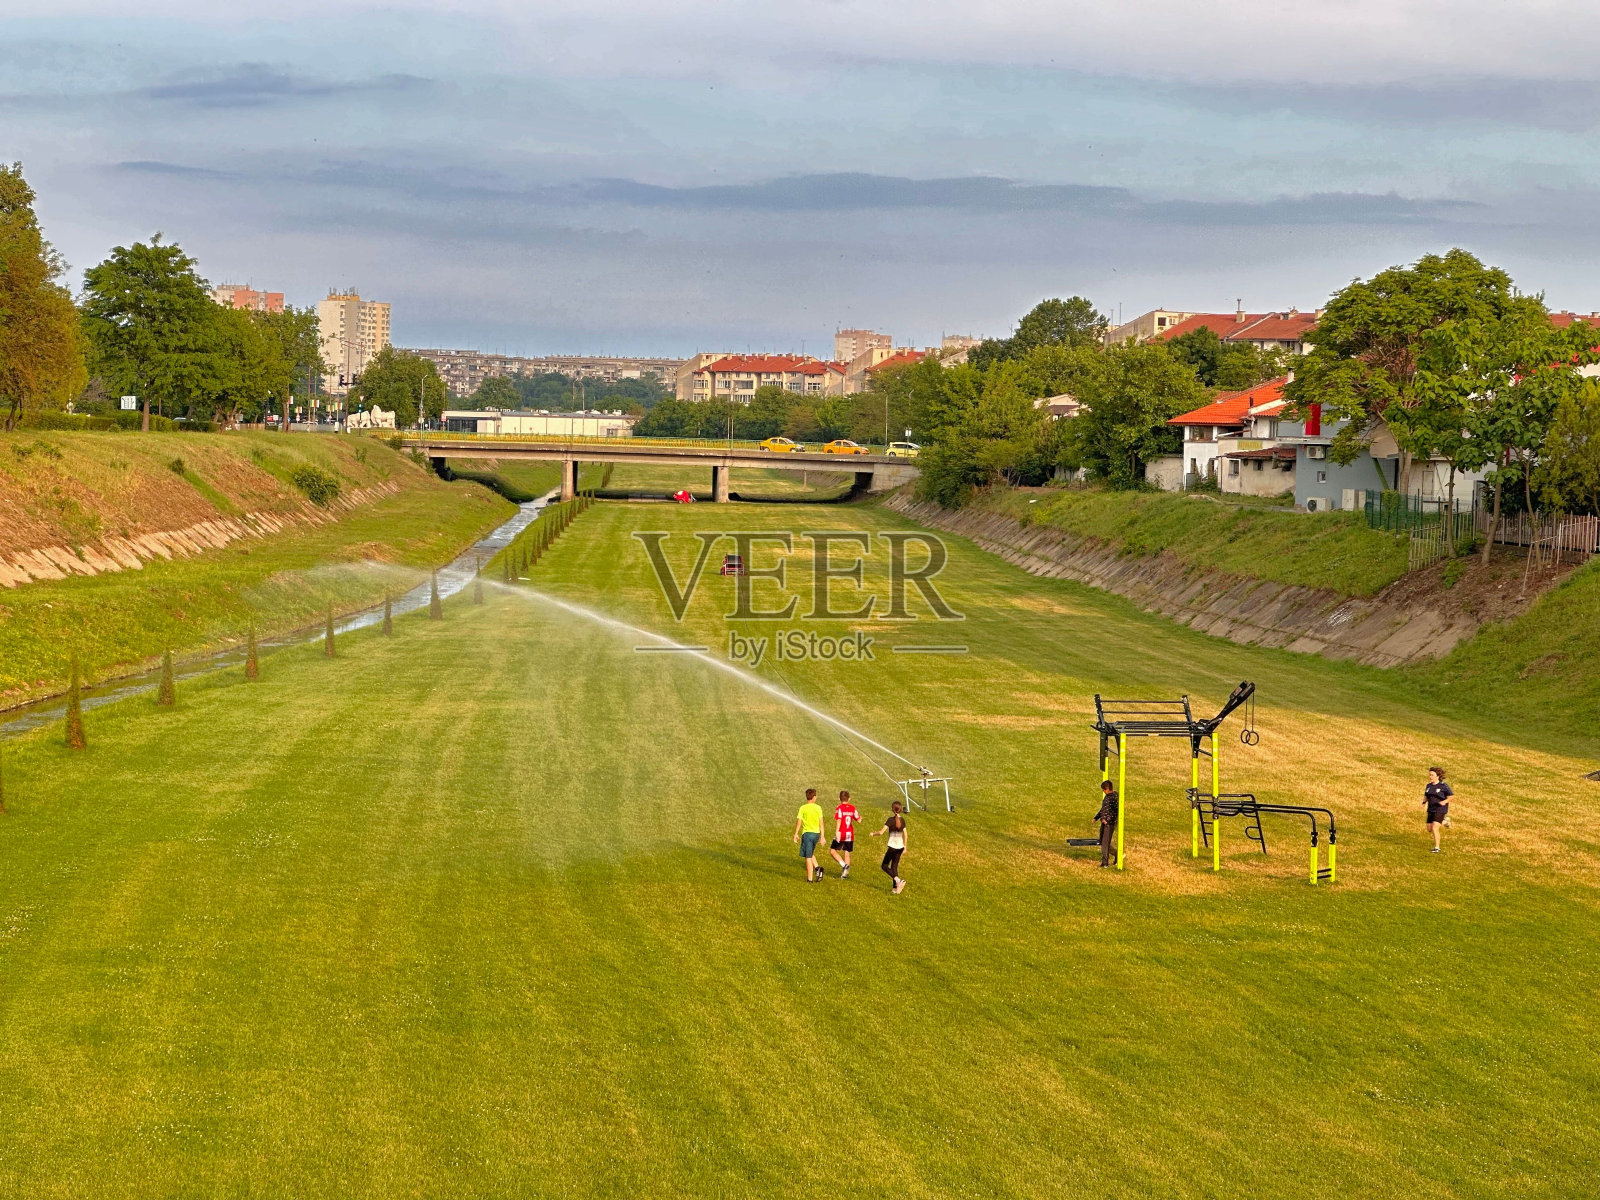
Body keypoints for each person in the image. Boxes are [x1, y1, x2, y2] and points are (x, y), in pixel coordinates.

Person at [870, 800, 909, 894]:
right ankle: (895, 889)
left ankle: (898, 880)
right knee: (894, 867)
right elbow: (906, 835)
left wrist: (872, 834)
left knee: (884, 866)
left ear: (892, 809)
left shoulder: (890, 820)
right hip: (900, 847)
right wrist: (905, 846)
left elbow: (881, 832)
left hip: (892, 847)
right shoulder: (902, 820)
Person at [793, 787, 825, 881]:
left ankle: (810, 879)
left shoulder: (803, 808)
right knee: (810, 853)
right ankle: (818, 868)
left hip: (807, 834)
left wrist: (796, 834)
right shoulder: (818, 808)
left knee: (807, 857)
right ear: (814, 797)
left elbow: (799, 821)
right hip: (816, 834)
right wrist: (822, 836)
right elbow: (821, 823)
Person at [830, 790, 860, 878]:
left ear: (839, 798)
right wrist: (860, 818)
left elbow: (838, 820)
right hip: (849, 834)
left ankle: (844, 865)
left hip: (841, 832)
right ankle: (845, 874)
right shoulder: (852, 808)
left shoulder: (839, 808)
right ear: (849, 799)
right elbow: (859, 819)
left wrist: (837, 832)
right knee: (847, 853)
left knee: (832, 851)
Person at [1424, 766, 1454, 853]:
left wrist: (1444, 801)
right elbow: (1426, 795)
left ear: (1437, 776)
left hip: (1440, 809)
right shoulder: (1428, 786)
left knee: (1434, 827)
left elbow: (1451, 796)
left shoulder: (1443, 786)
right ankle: (1445, 821)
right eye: (1430, 775)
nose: (1430, 777)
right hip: (1431, 809)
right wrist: (1423, 803)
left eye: (1432, 775)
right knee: (1429, 829)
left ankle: (1437, 848)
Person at [1096, 779, 1119, 868]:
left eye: (1103, 789)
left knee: (1105, 843)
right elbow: (1104, 809)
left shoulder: (1113, 797)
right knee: (1103, 841)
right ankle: (1118, 854)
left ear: (1107, 789)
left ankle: (1105, 863)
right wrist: (1097, 817)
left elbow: (1116, 811)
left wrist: (1107, 820)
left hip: (1109, 824)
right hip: (1105, 822)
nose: (1103, 791)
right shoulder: (1108, 797)